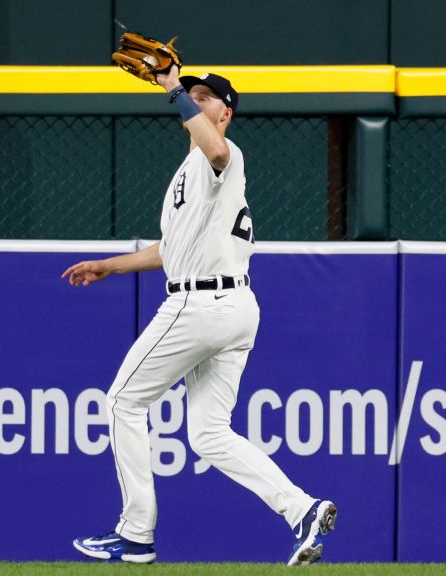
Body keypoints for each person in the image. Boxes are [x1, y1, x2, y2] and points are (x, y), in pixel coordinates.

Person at [62, 66, 336, 566]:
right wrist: (110, 266)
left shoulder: (222, 157)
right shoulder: (191, 172)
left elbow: (215, 149)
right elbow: (173, 250)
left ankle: (135, 535)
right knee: (210, 434)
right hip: (233, 307)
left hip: (200, 305)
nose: (195, 100)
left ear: (225, 112)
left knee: (122, 400)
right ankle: (302, 509)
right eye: (192, 94)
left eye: (205, 97)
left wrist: (170, 88)